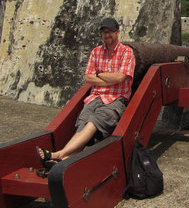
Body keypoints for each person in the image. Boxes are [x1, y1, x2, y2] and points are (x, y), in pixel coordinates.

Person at [36, 17, 135, 167]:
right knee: (82, 127)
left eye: (109, 32)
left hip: (115, 99)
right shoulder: (96, 52)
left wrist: (99, 74)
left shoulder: (126, 52)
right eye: (103, 32)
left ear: (117, 32)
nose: (106, 35)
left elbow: (121, 77)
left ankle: (59, 154)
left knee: (93, 122)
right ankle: (63, 162)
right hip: (94, 97)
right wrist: (108, 78)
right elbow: (88, 77)